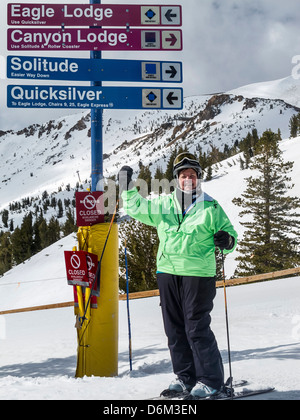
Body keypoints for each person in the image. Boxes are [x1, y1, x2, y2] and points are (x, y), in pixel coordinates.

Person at [118, 152, 238, 399]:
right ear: (176, 179)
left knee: (196, 328)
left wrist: (227, 240)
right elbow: (136, 207)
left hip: (198, 274)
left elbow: (230, 235)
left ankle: (211, 381)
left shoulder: (211, 207)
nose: (188, 179)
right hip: (168, 272)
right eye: (183, 175)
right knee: (174, 329)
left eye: (192, 175)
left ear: (199, 178)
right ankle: (185, 377)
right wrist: (126, 186)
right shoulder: (164, 205)